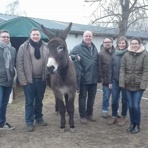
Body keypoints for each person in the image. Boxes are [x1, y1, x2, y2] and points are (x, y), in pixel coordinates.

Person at [16, 28, 49, 132]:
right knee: (29, 102)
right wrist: (22, 79)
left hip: (42, 79)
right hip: (29, 80)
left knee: (39, 100)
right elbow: (19, 64)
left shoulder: (46, 46)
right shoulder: (23, 47)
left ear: (40, 36)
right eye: (34, 34)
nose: (36, 36)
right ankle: (29, 121)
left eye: (37, 34)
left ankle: (39, 118)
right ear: (30, 35)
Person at [119, 37, 148, 134]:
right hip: (128, 84)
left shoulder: (144, 55)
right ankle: (132, 123)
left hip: (139, 85)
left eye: (136, 43)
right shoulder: (126, 55)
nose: (134, 45)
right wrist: (122, 82)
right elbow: (122, 69)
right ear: (130, 44)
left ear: (139, 44)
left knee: (136, 105)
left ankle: (137, 124)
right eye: (132, 43)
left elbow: (146, 71)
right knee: (130, 105)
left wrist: (143, 84)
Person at [70, 30, 99, 124]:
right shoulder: (78, 47)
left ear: (92, 37)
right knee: (82, 97)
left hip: (93, 77)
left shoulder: (94, 48)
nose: (88, 38)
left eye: (89, 36)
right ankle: (82, 115)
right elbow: (70, 56)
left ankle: (89, 114)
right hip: (83, 77)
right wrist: (75, 58)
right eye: (86, 36)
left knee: (92, 96)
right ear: (83, 37)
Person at [108, 36, 128, 126]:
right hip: (115, 81)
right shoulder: (114, 54)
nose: (121, 45)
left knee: (124, 100)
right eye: (119, 43)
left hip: (125, 82)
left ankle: (123, 116)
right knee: (114, 100)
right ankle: (114, 116)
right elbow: (110, 69)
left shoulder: (128, 54)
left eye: (123, 43)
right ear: (117, 44)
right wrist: (110, 82)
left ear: (126, 44)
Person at [0, 30, 16, 130]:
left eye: (8, 37)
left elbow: (13, 64)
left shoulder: (13, 49)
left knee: (4, 104)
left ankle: (2, 123)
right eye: (3, 37)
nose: (6, 38)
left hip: (9, 81)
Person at [99, 37, 115, 118]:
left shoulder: (117, 52)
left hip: (116, 79)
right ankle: (104, 110)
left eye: (109, 42)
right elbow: (99, 67)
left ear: (112, 42)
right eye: (105, 42)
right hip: (106, 79)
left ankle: (116, 111)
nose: (107, 43)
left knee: (116, 97)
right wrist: (101, 79)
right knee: (106, 96)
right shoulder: (101, 54)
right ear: (103, 43)